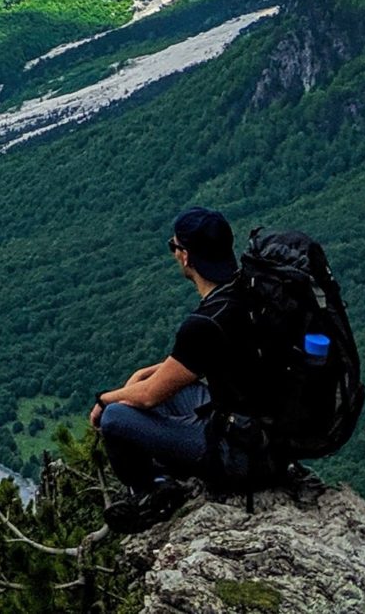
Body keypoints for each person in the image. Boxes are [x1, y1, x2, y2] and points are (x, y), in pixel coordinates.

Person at [87, 207, 253, 519]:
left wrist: (103, 400)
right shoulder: (245, 292)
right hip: (263, 432)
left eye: (173, 246)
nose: (174, 253)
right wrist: (141, 375)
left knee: (115, 417)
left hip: (234, 453)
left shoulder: (205, 322)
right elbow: (183, 366)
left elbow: (150, 395)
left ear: (186, 256)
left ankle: (150, 493)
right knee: (160, 391)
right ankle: (162, 478)